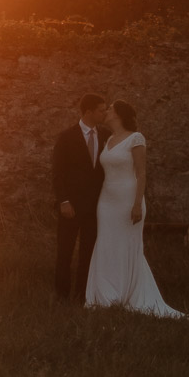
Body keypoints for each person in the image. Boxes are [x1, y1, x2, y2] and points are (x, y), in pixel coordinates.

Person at [84, 99, 186, 319]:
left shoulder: (136, 138)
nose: (106, 111)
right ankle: (106, 294)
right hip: (107, 201)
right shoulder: (108, 139)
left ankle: (129, 293)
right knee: (106, 244)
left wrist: (137, 203)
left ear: (119, 114)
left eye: (109, 109)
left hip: (128, 199)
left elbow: (142, 173)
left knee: (126, 245)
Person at [51, 93, 111, 302]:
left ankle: (82, 295)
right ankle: (61, 295)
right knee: (65, 252)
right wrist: (63, 201)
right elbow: (57, 172)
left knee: (89, 254)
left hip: (95, 207)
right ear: (88, 112)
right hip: (71, 206)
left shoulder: (106, 136)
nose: (105, 113)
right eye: (102, 110)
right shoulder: (67, 137)